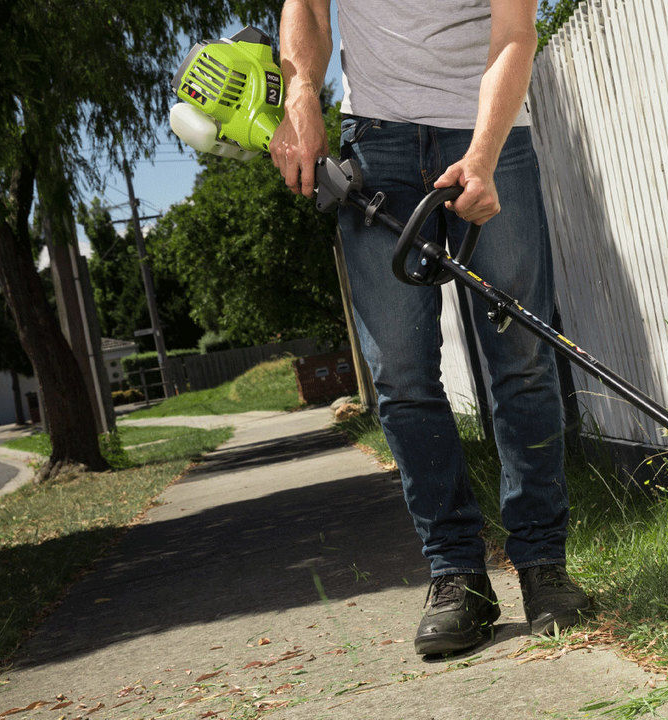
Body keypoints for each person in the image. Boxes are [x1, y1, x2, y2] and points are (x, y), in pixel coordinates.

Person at [269, 0, 591, 655]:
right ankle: (457, 577)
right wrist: (300, 91)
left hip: (489, 129)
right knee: (401, 374)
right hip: (376, 141)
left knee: (522, 358)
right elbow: (304, 6)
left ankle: (542, 566)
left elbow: (514, 34)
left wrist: (485, 152)